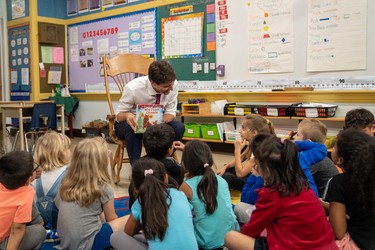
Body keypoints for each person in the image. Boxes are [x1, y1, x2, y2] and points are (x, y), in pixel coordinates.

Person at [224, 134, 337, 250]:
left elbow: (252, 228)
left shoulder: (272, 193)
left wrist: (256, 177)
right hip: (327, 244)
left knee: (230, 237)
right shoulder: (301, 183)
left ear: (263, 167)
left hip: (294, 245)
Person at [55, 137, 128, 250]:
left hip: (66, 242)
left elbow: (59, 205)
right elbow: (112, 219)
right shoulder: (104, 188)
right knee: (126, 220)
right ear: (101, 163)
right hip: (90, 245)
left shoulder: (65, 182)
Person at [110, 157, 198, 250]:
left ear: (135, 189)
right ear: (166, 178)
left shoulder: (140, 202)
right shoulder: (180, 194)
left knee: (116, 237)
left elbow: (128, 232)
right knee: (142, 238)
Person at [115, 60, 185, 164]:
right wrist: (127, 115)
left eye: (171, 85)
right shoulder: (133, 88)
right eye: (166, 86)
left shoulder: (172, 84)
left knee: (179, 127)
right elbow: (118, 116)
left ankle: (161, 161)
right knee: (131, 129)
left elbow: (170, 113)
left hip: (157, 123)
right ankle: (137, 168)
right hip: (130, 125)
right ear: (153, 83)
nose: (170, 89)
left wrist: (154, 121)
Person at [179, 140, 239, 249]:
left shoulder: (186, 186)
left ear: (185, 163)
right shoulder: (221, 180)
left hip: (205, 243)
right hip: (230, 238)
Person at [325, 129, 375, 249]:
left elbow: (339, 232)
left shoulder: (338, 182)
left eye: (335, 146)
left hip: (359, 244)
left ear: (340, 159)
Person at [128, 123, 185, 208]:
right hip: (167, 212)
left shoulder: (140, 167)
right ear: (169, 150)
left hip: (140, 213)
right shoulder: (174, 168)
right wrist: (186, 150)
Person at [216, 114, 276, 191]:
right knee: (227, 169)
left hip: (259, 182)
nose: (239, 131)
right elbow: (242, 157)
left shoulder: (261, 149)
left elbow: (240, 174)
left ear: (254, 132)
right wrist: (225, 167)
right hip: (253, 174)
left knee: (226, 178)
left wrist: (237, 150)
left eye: (243, 128)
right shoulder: (254, 142)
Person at [0, 151, 46, 250]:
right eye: (34, 167)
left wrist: (30, 176)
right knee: (40, 231)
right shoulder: (26, 193)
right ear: (28, 179)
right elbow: (17, 230)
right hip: (3, 243)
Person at [31, 131, 71, 228]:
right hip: (62, 225)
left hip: (38, 224)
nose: (70, 151)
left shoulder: (33, 175)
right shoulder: (68, 174)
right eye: (68, 148)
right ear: (59, 153)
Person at [294, 119, 338, 197]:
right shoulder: (313, 155)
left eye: (297, 134)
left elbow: (297, 178)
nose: (294, 136)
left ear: (307, 142)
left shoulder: (314, 160)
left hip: (324, 200)